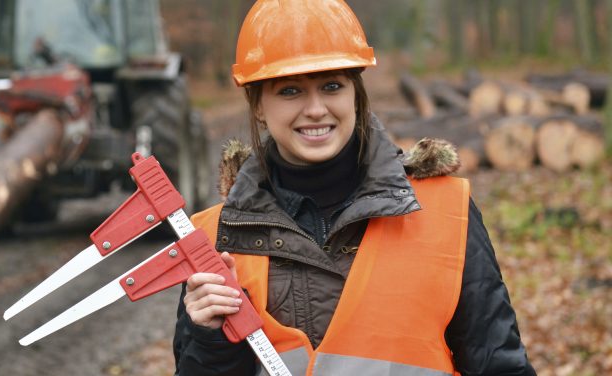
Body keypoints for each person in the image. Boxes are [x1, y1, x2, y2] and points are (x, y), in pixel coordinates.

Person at [172, 0, 535, 375]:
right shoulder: (216, 238)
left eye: (331, 86)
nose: (315, 109)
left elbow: (498, 363)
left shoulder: (445, 210)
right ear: (258, 105)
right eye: (289, 91)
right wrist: (210, 340)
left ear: (355, 96)